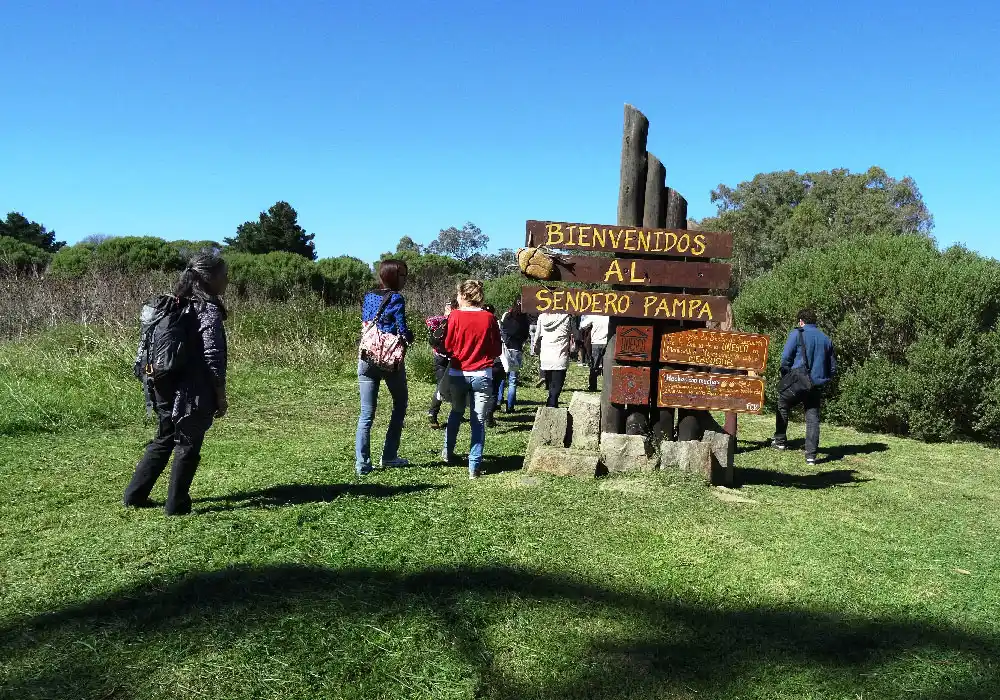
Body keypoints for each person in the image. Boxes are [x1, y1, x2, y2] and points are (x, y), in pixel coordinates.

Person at [123, 252, 229, 516]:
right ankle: (177, 504)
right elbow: (213, 355)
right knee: (188, 443)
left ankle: (135, 495)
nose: (227, 280)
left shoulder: (172, 304)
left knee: (165, 437)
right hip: (192, 388)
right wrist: (220, 393)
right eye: (224, 274)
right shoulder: (207, 309)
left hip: (161, 383)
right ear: (209, 278)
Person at [355, 260, 414, 477]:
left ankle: (362, 464)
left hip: (367, 358)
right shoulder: (397, 298)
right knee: (400, 403)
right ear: (393, 276)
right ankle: (389, 455)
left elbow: (368, 322)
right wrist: (410, 336)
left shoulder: (369, 296)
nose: (405, 279)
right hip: (389, 361)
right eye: (403, 275)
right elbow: (401, 328)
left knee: (366, 413)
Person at [443, 280, 502, 479]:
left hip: (458, 373)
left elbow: (448, 345)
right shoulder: (489, 318)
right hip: (482, 374)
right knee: (478, 421)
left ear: (464, 296)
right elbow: (496, 350)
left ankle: (448, 453)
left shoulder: (455, 316)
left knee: (456, 413)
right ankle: (474, 466)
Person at [772, 309, 837, 466]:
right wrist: (822, 379)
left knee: (783, 404)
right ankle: (811, 456)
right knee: (812, 417)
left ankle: (780, 441)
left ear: (801, 321)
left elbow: (786, 358)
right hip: (815, 385)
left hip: (797, 381)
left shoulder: (797, 333)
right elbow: (833, 367)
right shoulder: (826, 339)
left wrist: (786, 375)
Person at [426, 299, 456, 429]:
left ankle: (435, 413)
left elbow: (429, 321)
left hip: (441, 356)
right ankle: (433, 413)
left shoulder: (441, 320)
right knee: (450, 385)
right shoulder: (451, 320)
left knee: (444, 385)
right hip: (448, 357)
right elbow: (429, 322)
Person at [497, 298, 530, 413]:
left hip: (505, 349)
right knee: (513, 380)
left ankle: (498, 400)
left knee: (501, 377)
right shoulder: (525, 319)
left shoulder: (507, 316)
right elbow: (526, 335)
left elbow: (502, 330)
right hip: (517, 350)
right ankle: (510, 406)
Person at [533, 312, 572, 407]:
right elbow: (575, 333)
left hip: (546, 356)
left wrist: (535, 348)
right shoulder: (567, 317)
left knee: (550, 384)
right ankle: (552, 405)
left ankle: (551, 404)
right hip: (560, 356)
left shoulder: (542, 316)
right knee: (557, 384)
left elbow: (537, 335)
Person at [579, 314, 609, 392]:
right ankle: (607, 387)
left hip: (596, 342)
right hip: (607, 343)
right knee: (606, 366)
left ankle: (592, 386)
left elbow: (582, 325)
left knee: (594, 366)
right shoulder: (609, 317)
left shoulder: (594, 316)